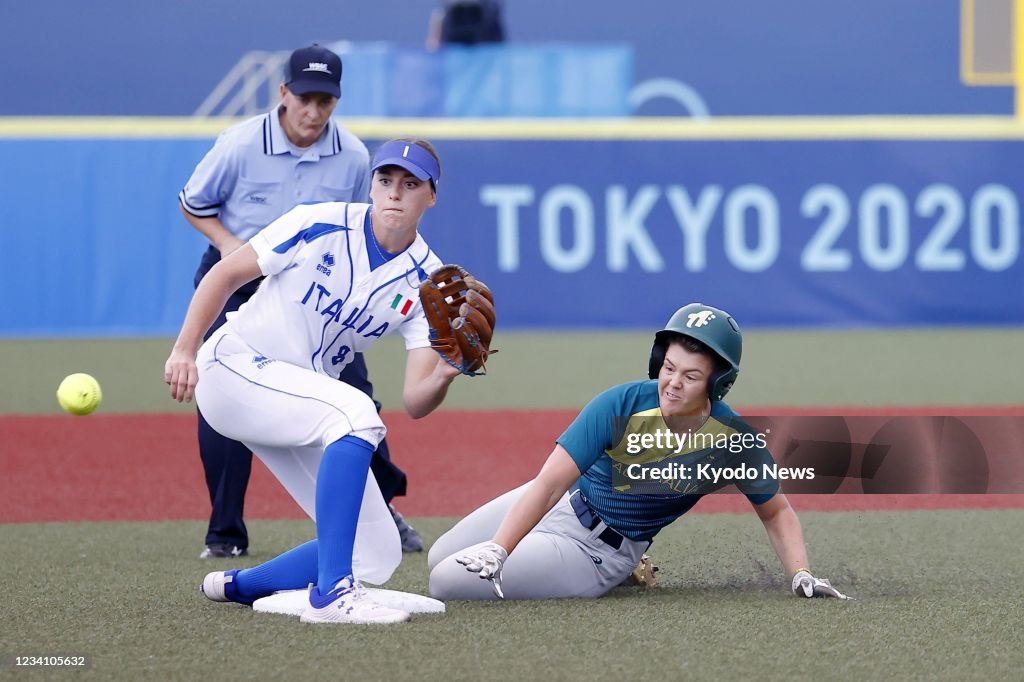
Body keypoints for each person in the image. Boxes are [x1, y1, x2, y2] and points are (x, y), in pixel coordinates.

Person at [166, 138, 484, 624]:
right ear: (371, 185)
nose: (394, 192)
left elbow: (415, 401)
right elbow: (225, 275)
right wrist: (185, 349)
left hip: (296, 402)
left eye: (410, 183)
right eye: (385, 180)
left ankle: (235, 586)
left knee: (376, 552)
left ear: (431, 196)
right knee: (357, 414)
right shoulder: (318, 222)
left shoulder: (428, 281)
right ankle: (331, 594)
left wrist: (446, 371)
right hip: (234, 368)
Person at [178, 43, 423, 560]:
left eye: (325, 101)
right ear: (283, 92)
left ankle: (383, 508)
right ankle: (225, 532)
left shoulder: (353, 155)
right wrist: (229, 245)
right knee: (220, 392)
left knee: (356, 395)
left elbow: (360, 226)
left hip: (312, 288)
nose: (314, 112)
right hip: (239, 275)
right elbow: (194, 204)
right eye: (305, 98)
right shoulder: (239, 144)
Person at [427, 303, 850, 601]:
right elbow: (550, 484)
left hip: (595, 554)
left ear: (717, 384)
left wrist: (801, 573)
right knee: (437, 556)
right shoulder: (622, 402)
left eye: (691, 376)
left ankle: (623, 570)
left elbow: (776, 512)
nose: (673, 383)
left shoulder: (732, 440)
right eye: (669, 367)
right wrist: (500, 548)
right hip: (560, 503)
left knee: (444, 582)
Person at [426, 0, 505, 50]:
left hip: (485, 60)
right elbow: (433, 47)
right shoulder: (441, 15)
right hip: (453, 60)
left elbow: (500, 49)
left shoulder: (491, 11)